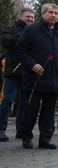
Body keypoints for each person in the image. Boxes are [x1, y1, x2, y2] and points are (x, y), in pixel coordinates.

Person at [15, 4, 58, 149]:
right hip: (34, 78)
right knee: (31, 109)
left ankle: (45, 139)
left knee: (48, 112)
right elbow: (20, 49)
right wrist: (32, 64)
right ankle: (26, 136)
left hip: (53, 79)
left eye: (55, 13)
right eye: (50, 12)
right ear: (43, 14)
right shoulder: (31, 29)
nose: (53, 15)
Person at [0, 8, 35, 142]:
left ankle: (20, 130)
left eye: (32, 17)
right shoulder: (11, 28)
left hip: (27, 71)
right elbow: (5, 42)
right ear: (21, 17)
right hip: (13, 70)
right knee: (8, 99)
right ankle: (1, 129)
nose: (30, 19)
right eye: (27, 17)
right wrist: (23, 34)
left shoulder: (34, 31)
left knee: (24, 102)